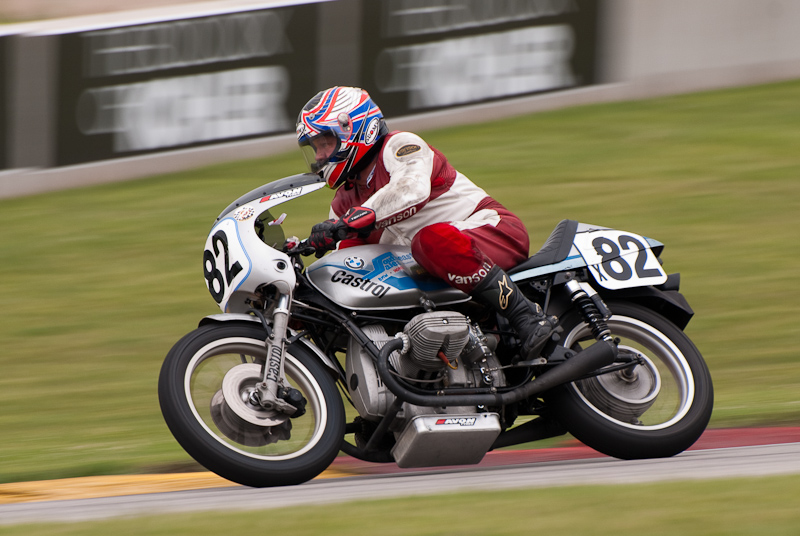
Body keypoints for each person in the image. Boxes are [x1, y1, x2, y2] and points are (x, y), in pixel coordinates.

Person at [297, 86, 556, 360]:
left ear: (356, 129)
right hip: (438, 271)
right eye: (315, 148)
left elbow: (410, 191)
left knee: (430, 241)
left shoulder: (399, 146)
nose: (319, 157)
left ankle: (527, 314)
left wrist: (350, 222)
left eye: (325, 143)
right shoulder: (344, 200)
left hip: (493, 231)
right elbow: (347, 264)